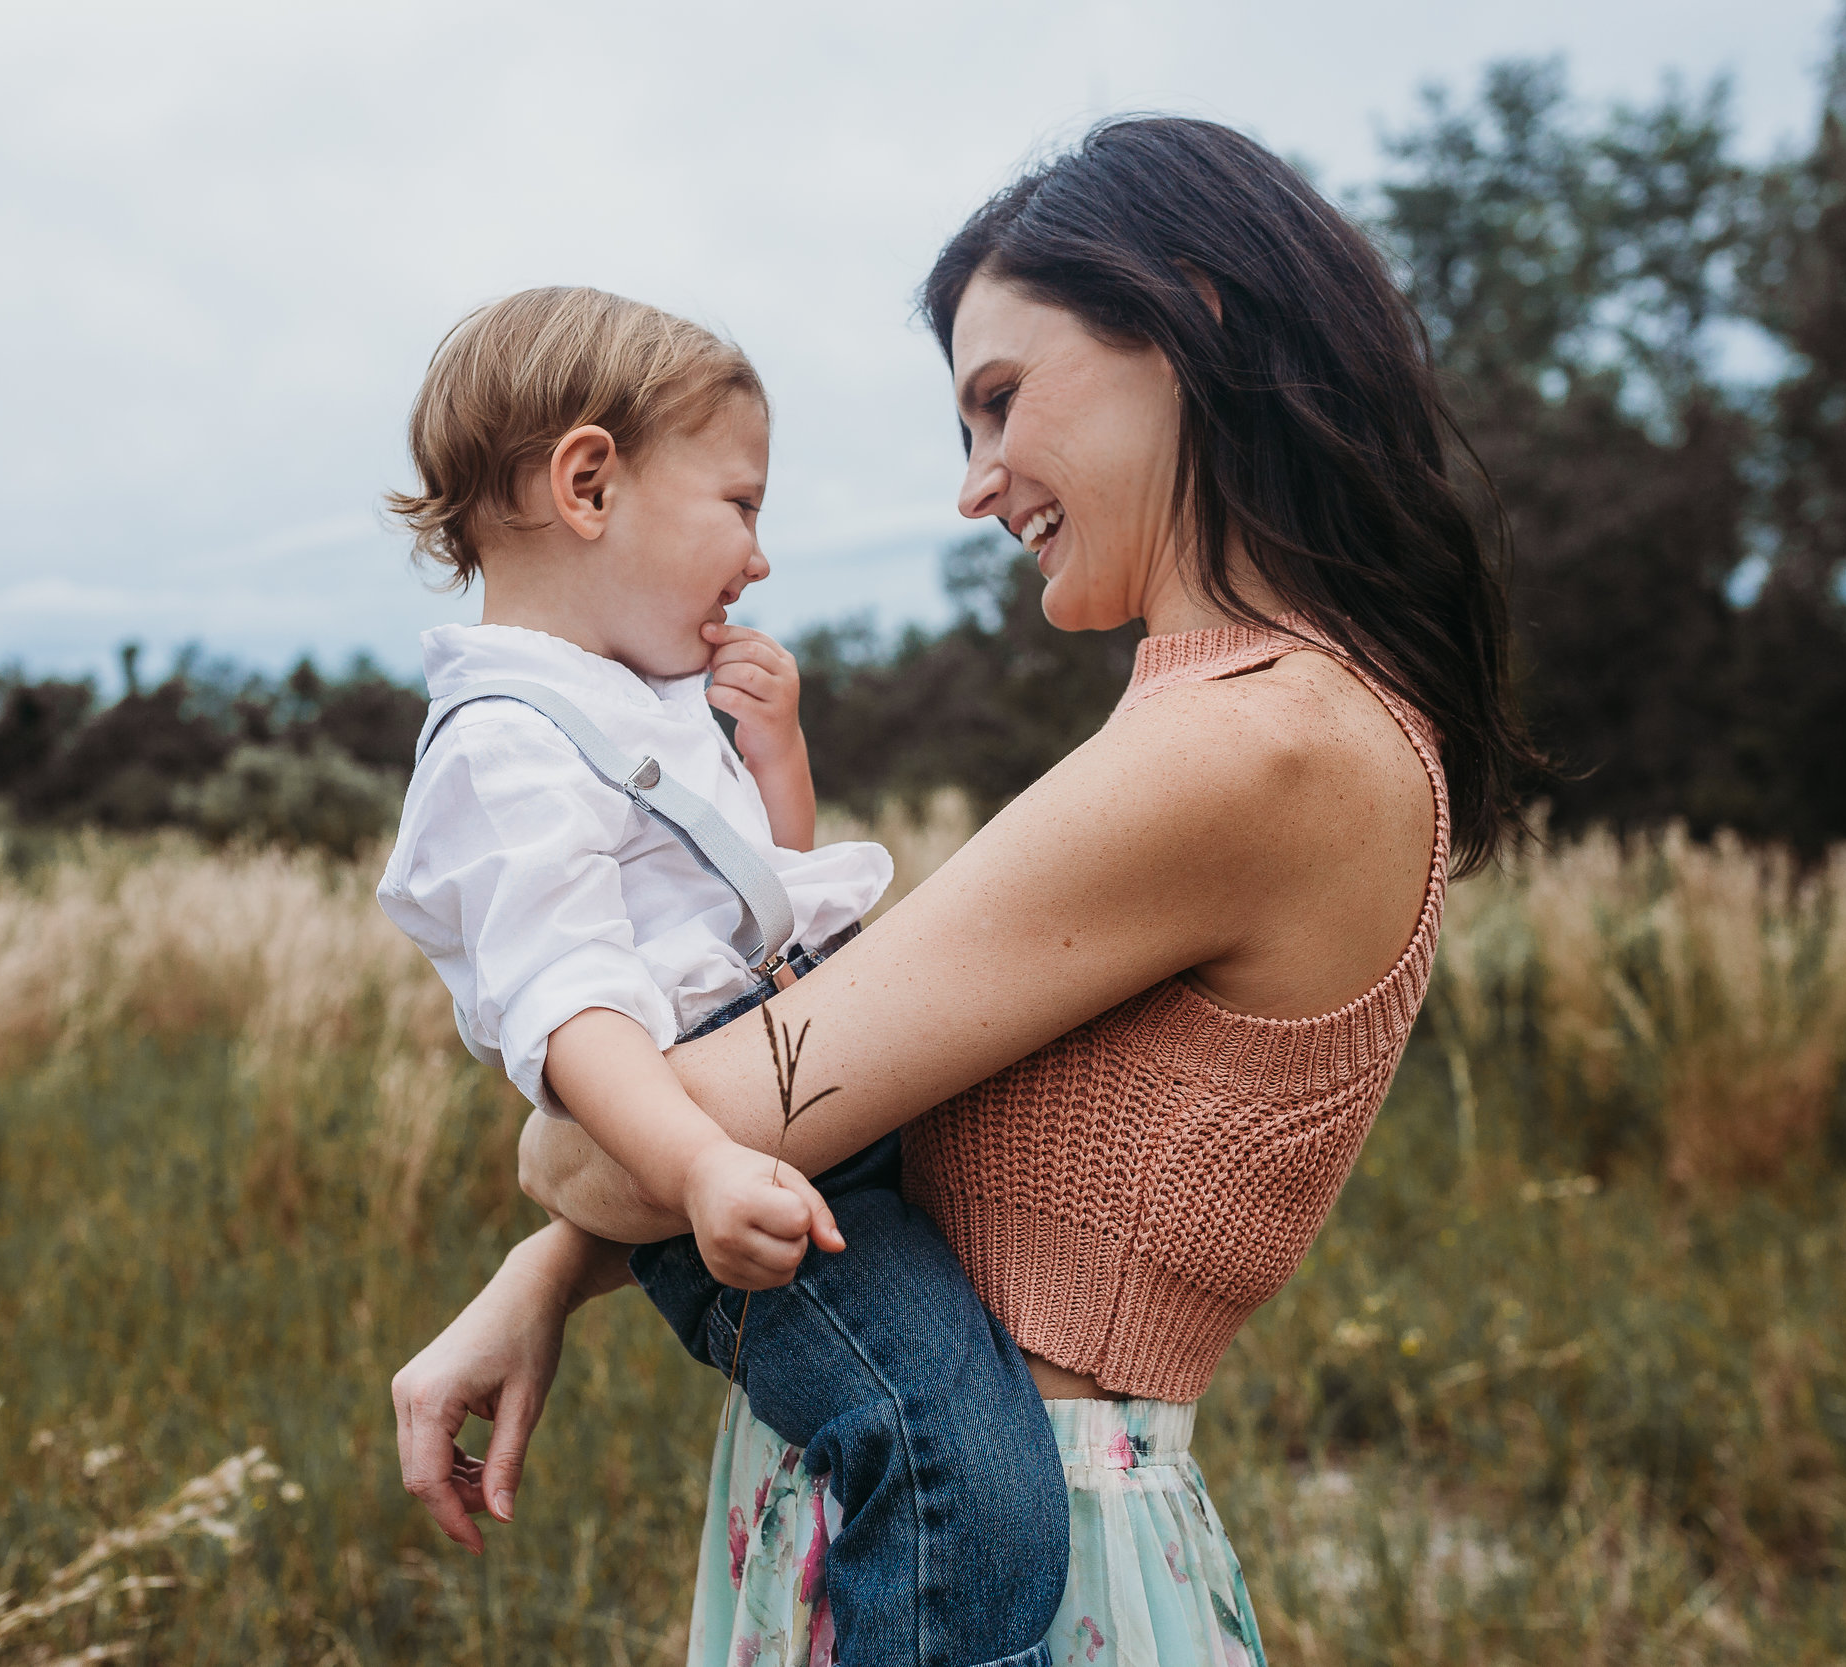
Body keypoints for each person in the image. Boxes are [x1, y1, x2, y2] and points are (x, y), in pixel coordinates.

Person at [393, 117, 1542, 1667]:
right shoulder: (1231, 717)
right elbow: (878, 1086)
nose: (976, 485)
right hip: (941, 1515)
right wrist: (559, 1265)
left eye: (1001, 401)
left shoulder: (1256, 743)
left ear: (1192, 316)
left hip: (1005, 1551)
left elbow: (630, 1144)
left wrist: (574, 1165)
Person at [377, 287, 1071, 1667]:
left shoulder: (633, 708)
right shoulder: (504, 747)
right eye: (740, 505)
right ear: (589, 484)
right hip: (747, 1160)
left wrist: (778, 770)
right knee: (947, 1467)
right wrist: (696, 1173)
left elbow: (750, 926)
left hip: (781, 1097)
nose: (757, 559)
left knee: (967, 1449)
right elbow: (577, 1013)